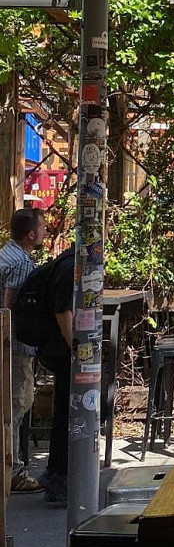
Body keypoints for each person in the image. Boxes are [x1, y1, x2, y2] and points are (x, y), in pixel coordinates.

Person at [15, 248, 74, 506]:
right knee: (67, 413)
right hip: (59, 347)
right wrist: (78, 350)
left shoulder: (63, 264)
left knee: (66, 411)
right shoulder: (70, 268)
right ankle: (58, 478)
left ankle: (57, 475)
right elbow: (62, 311)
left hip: (53, 346)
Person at [0, 208, 46, 492]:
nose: (45, 232)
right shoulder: (20, 263)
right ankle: (14, 471)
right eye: (42, 228)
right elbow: (10, 306)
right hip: (15, 345)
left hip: (9, 344)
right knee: (17, 404)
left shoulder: (6, 254)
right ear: (30, 234)